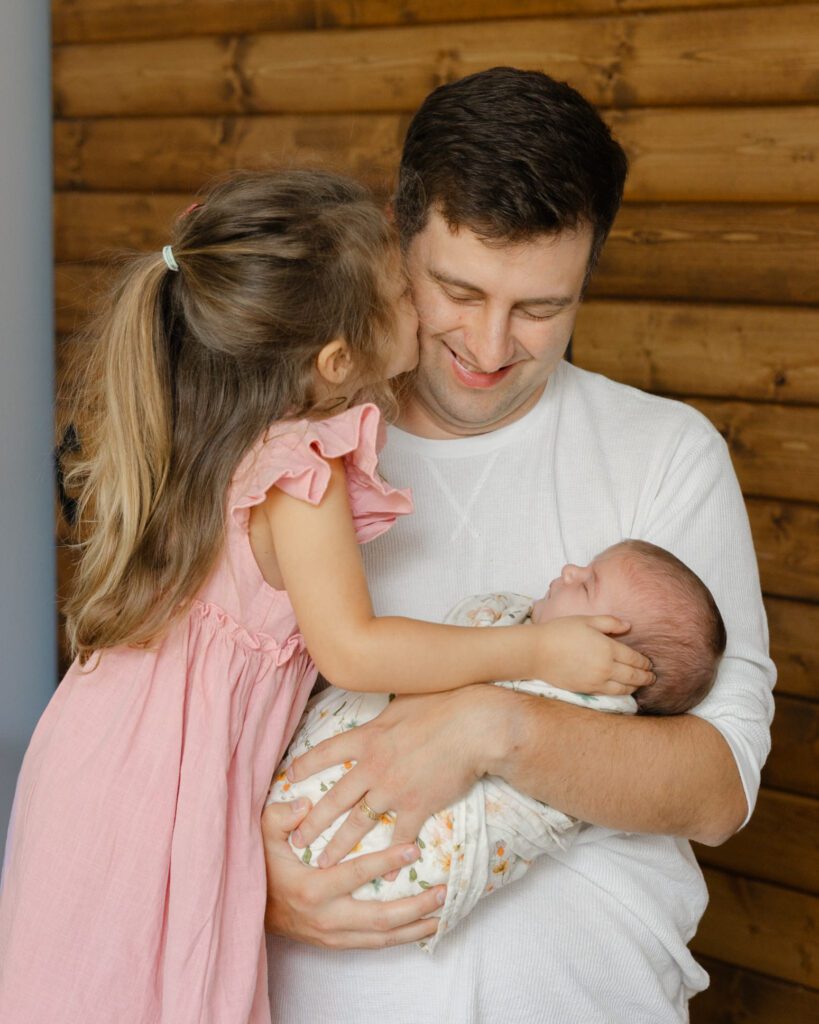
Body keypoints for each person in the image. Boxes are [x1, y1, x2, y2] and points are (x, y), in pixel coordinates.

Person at [0, 169, 653, 1024]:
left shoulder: (215, 428)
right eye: (398, 291)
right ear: (337, 361)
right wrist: (536, 648)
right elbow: (355, 649)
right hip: (160, 787)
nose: (419, 310)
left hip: (101, 764)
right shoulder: (300, 467)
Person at [263, 68, 776, 1023]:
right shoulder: (293, 451)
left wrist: (492, 727)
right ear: (395, 236)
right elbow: (171, 719)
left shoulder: (664, 454)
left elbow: (716, 786)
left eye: (541, 308)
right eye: (457, 290)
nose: (491, 345)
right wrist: (244, 882)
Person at [267, 539, 727, 952]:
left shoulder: (591, 711)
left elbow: (720, 797)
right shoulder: (511, 625)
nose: (569, 569)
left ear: (617, 658)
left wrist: (495, 723)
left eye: (587, 587)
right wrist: (261, 891)